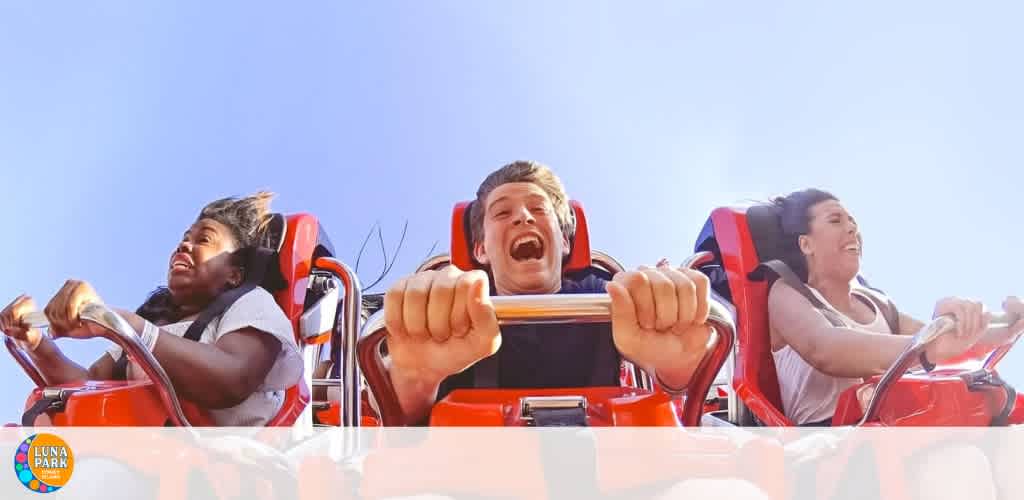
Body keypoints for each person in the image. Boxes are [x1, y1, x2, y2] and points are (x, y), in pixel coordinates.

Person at [382, 160, 718, 425]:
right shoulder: (448, 308)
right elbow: (391, 414)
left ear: (565, 241)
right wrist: (415, 374)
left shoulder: (605, 296)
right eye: (502, 212)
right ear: (481, 249)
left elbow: (677, 379)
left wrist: (678, 360)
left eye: (538, 209)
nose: (523, 217)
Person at [0, 191, 303, 426]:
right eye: (184, 239)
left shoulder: (252, 303)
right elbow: (86, 383)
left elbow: (232, 378)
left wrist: (127, 326)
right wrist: (36, 344)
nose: (183, 246)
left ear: (235, 273)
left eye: (204, 239)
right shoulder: (153, 324)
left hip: (217, 470)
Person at [765, 188, 1024, 427]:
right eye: (836, 221)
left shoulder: (877, 304)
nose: (852, 229)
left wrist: (1007, 329)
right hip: (828, 445)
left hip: (892, 429)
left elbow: (942, 338)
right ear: (806, 244)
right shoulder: (786, 292)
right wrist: (925, 347)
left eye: (852, 221)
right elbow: (825, 349)